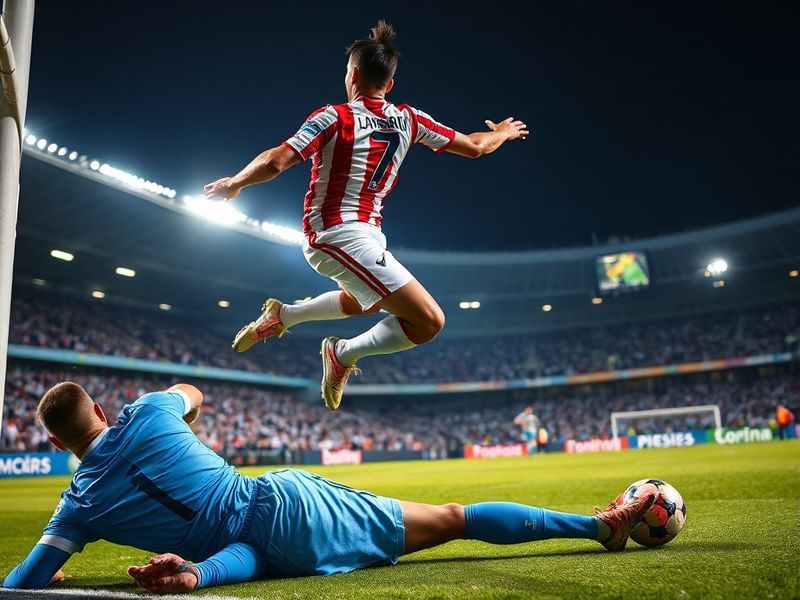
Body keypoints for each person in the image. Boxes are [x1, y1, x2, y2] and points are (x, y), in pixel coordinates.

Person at [3, 382, 654, 594]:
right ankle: (602, 527)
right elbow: (193, 395)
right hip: (281, 506)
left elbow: (19, 587)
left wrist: (50, 578)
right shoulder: (147, 410)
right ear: (99, 410)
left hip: (250, 550)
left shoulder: (77, 507)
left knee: (239, 556)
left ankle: (196, 577)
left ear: (56, 444)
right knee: (455, 517)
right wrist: (173, 412)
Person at [203, 21, 528, 411]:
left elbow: (276, 160)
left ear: (351, 74)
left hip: (357, 233)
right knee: (428, 321)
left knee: (370, 301)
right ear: (389, 84)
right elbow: (476, 146)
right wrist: (505, 133)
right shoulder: (410, 118)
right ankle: (343, 353)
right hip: (337, 235)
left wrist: (235, 184)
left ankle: (286, 317)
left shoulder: (333, 117)